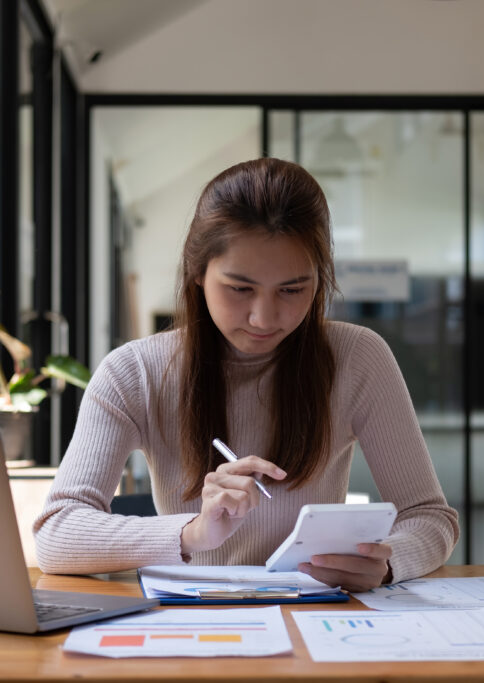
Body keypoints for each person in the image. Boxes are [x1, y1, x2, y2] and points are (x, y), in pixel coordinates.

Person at [34, 158, 458, 592]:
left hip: (315, 623)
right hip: (191, 623)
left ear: (320, 279)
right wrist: (192, 533)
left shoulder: (357, 358)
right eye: (240, 288)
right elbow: (55, 533)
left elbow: (429, 515)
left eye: (293, 290)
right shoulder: (135, 372)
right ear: (197, 272)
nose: (264, 317)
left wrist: (388, 562)